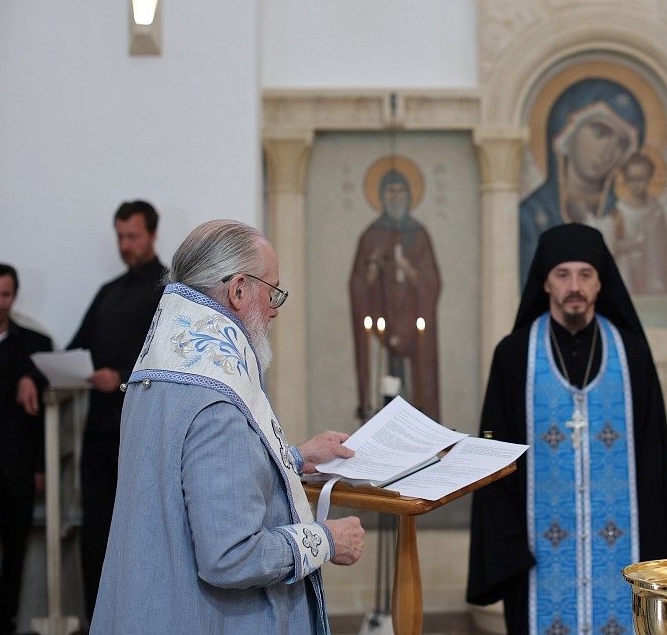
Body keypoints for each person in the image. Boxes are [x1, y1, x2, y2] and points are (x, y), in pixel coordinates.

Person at [90, 219, 365, 634]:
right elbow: (231, 556)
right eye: (272, 292)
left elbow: (188, 475)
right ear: (238, 290)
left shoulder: (161, 373)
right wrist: (326, 540)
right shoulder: (217, 399)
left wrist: (294, 458)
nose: (275, 309)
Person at [468, 223, 667, 635]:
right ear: (545, 282)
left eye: (585, 274)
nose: (574, 287)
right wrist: (507, 548)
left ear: (601, 282)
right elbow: (493, 463)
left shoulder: (633, 355)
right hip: (536, 561)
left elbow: (655, 464)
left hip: (625, 558)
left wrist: (660, 559)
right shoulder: (514, 356)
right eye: (563, 275)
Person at [67, 200, 168, 619]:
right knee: (95, 532)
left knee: (138, 534)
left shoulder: (170, 290)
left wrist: (122, 377)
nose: (125, 245)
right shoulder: (108, 293)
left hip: (141, 433)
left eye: (133, 236)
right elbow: (76, 347)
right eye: (120, 237)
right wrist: (34, 376)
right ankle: (97, 621)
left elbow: (171, 359)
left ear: (153, 235)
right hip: (99, 432)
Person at [0, 263, 52, 635]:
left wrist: (41, 467)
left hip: (17, 463)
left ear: (14, 295)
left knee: (15, 549)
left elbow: (45, 412)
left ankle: (2, 624)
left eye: (6, 294)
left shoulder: (37, 345)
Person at [519, 78, 644, 289]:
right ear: (567, 132)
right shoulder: (531, 217)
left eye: (621, 144)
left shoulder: (623, 217)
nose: (608, 152)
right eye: (600, 133)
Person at [349, 167, 441, 420]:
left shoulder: (420, 235)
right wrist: (371, 271)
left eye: (401, 190)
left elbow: (432, 281)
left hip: (413, 320)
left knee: (415, 384)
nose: (396, 196)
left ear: (409, 195)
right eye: (391, 191)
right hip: (382, 324)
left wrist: (411, 271)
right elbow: (357, 283)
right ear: (381, 195)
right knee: (385, 374)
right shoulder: (371, 235)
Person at [612, 152, 667, 295]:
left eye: (640, 179)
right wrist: (634, 244)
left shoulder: (656, 211)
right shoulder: (618, 211)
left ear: (649, 178)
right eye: (631, 179)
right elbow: (613, 245)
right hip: (626, 270)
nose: (636, 184)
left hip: (651, 270)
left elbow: (662, 249)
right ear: (625, 180)